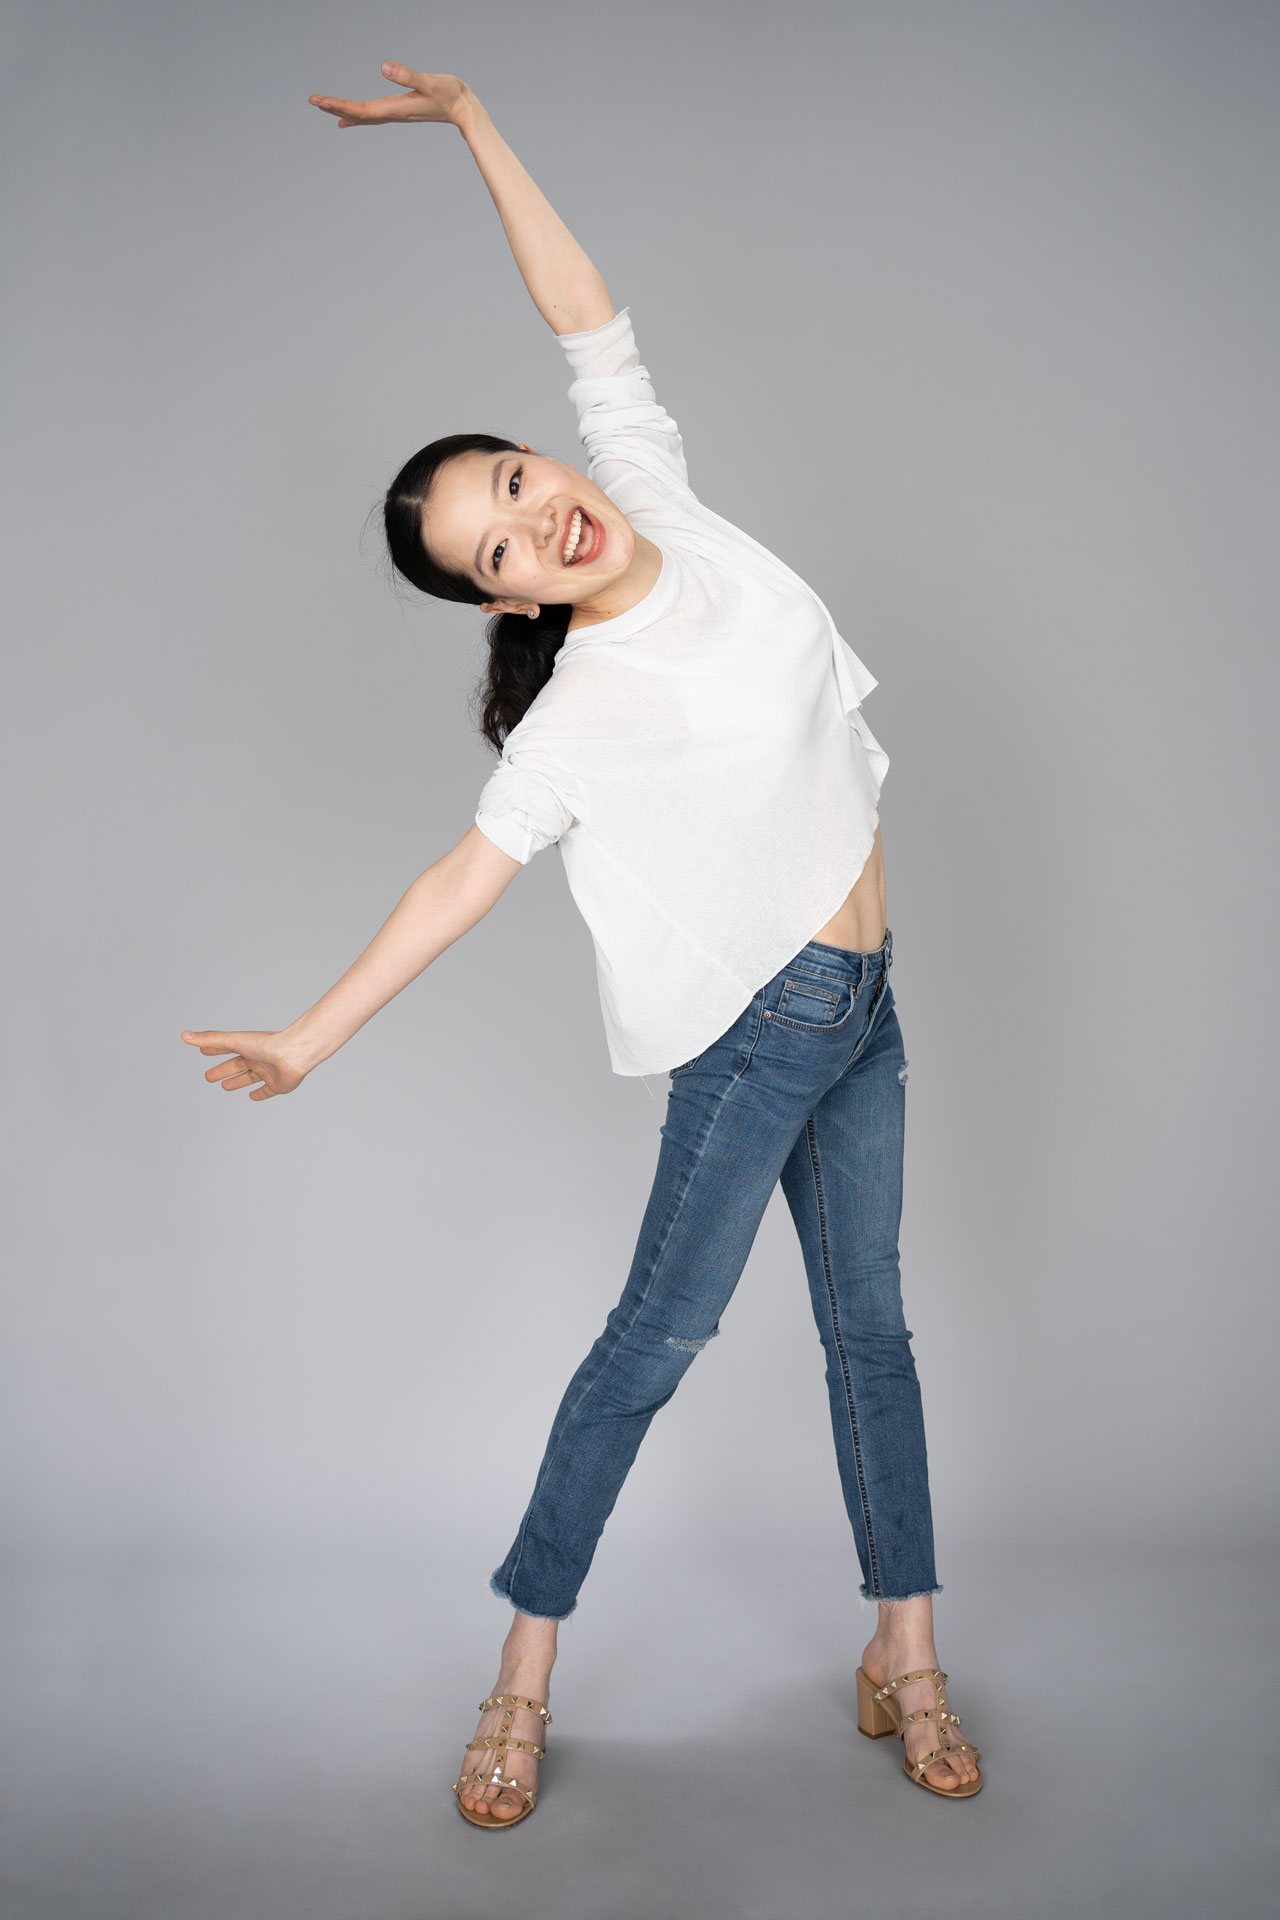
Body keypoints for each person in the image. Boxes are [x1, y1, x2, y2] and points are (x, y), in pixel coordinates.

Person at [181, 59, 984, 1824]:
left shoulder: (655, 495)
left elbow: (586, 318)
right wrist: (310, 1037)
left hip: (869, 1005)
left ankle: (905, 1648)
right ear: (509, 599)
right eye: (501, 546)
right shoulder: (578, 716)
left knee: (874, 1335)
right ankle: (522, 1673)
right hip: (764, 1030)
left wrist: (474, 126)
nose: (540, 516)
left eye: (515, 478)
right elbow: (456, 884)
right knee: (652, 1347)